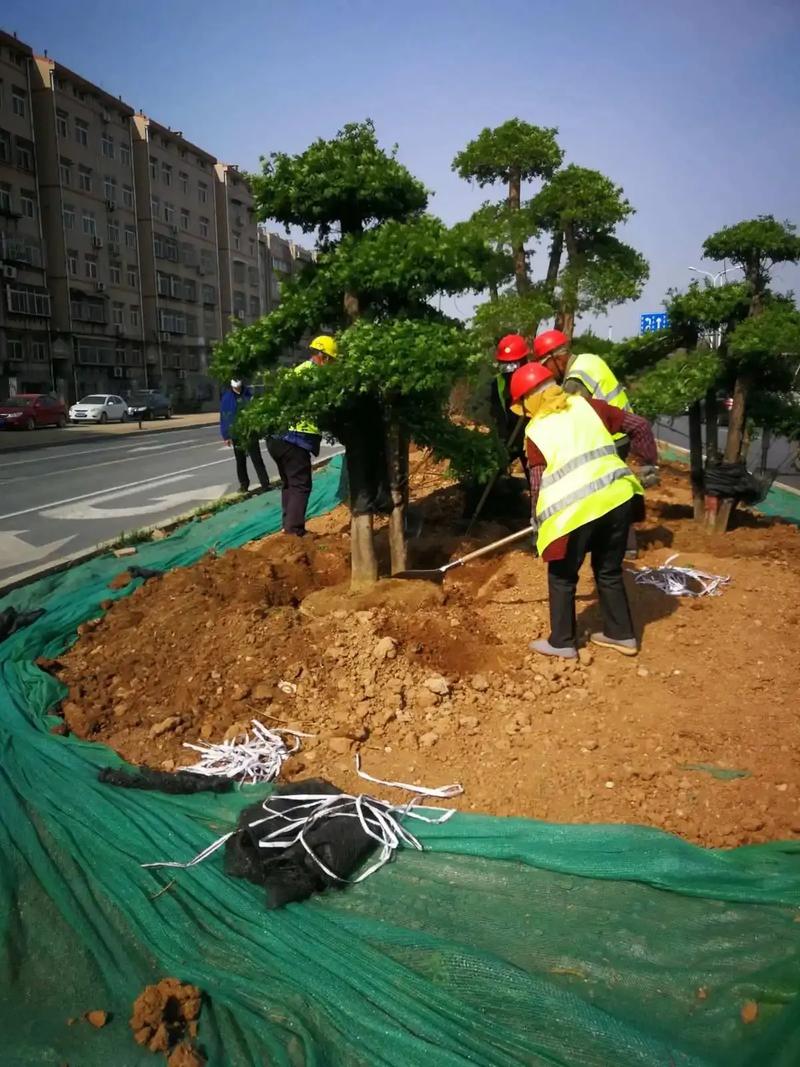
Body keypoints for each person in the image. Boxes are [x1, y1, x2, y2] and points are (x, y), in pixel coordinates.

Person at [508, 361, 658, 659]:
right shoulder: (588, 406)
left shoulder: (536, 431)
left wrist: (538, 519)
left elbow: (537, 483)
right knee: (608, 570)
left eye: (523, 405)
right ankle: (621, 634)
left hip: (576, 511)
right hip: (617, 499)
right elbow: (639, 425)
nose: (524, 412)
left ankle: (562, 642)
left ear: (531, 399)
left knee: (562, 577)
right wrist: (648, 464)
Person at [531, 329, 659, 555]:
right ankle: (620, 543)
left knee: (601, 489)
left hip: (608, 437)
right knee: (613, 488)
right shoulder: (588, 360)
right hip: (621, 429)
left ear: (557, 358)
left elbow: (571, 416)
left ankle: (614, 544)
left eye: (545, 365)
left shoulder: (575, 381)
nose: (547, 373)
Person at [266, 334, 337, 536]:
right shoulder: (316, 377)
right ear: (323, 357)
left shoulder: (297, 371)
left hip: (276, 438)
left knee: (289, 484)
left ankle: (287, 527)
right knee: (301, 485)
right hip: (294, 438)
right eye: (332, 360)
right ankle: (294, 530)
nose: (333, 365)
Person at [220, 378, 270, 493]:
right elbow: (224, 417)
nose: (237, 387)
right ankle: (244, 484)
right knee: (240, 460)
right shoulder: (227, 398)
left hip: (250, 431)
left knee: (256, 458)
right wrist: (226, 435)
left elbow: (257, 411)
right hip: (237, 433)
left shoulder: (249, 394)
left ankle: (265, 483)